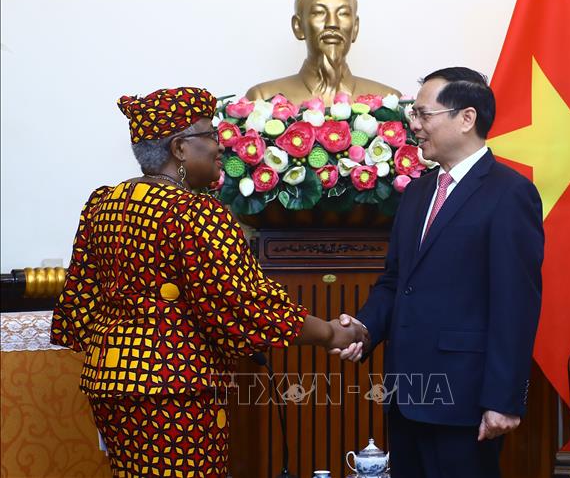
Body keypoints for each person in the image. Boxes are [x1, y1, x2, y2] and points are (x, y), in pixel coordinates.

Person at [50, 86, 367, 478]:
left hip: (109, 383)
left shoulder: (104, 204)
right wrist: (330, 333)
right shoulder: (194, 213)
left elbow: (80, 301)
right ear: (180, 148)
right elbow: (247, 305)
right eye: (211, 135)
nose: (221, 146)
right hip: (174, 388)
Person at [332, 68, 544, 477]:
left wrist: (503, 400)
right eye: (414, 114)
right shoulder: (417, 192)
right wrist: (363, 328)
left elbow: (515, 304)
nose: (414, 125)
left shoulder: (510, 193)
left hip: (466, 400)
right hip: (407, 395)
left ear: (466, 118)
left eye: (423, 114)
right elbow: (396, 281)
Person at [245, 0, 401, 106]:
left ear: (355, 28)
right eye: (319, 12)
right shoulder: (263, 99)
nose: (332, 23)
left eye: (343, 13)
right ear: (298, 26)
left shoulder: (388, 101)